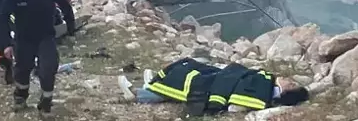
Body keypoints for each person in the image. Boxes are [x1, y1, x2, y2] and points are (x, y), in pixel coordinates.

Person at [0, 0, 75, 117]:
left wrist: (71, 29)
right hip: (23, 38)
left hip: (46, 36)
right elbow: (3, 17)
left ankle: (46, 103)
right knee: (23, 71)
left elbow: (66, 7)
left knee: (48, 69)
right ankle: (20, 96)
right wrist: (5, 44)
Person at [121, 58, 310, 116]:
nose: (287, 78)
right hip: (221, 77)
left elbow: (238, 97)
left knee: (186, 85)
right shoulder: (266, 82)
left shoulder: (263, 91)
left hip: (214, 87)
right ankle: (150, 85)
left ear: (286, 91)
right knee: (191, 70)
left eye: (291, 83)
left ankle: (139, 93)